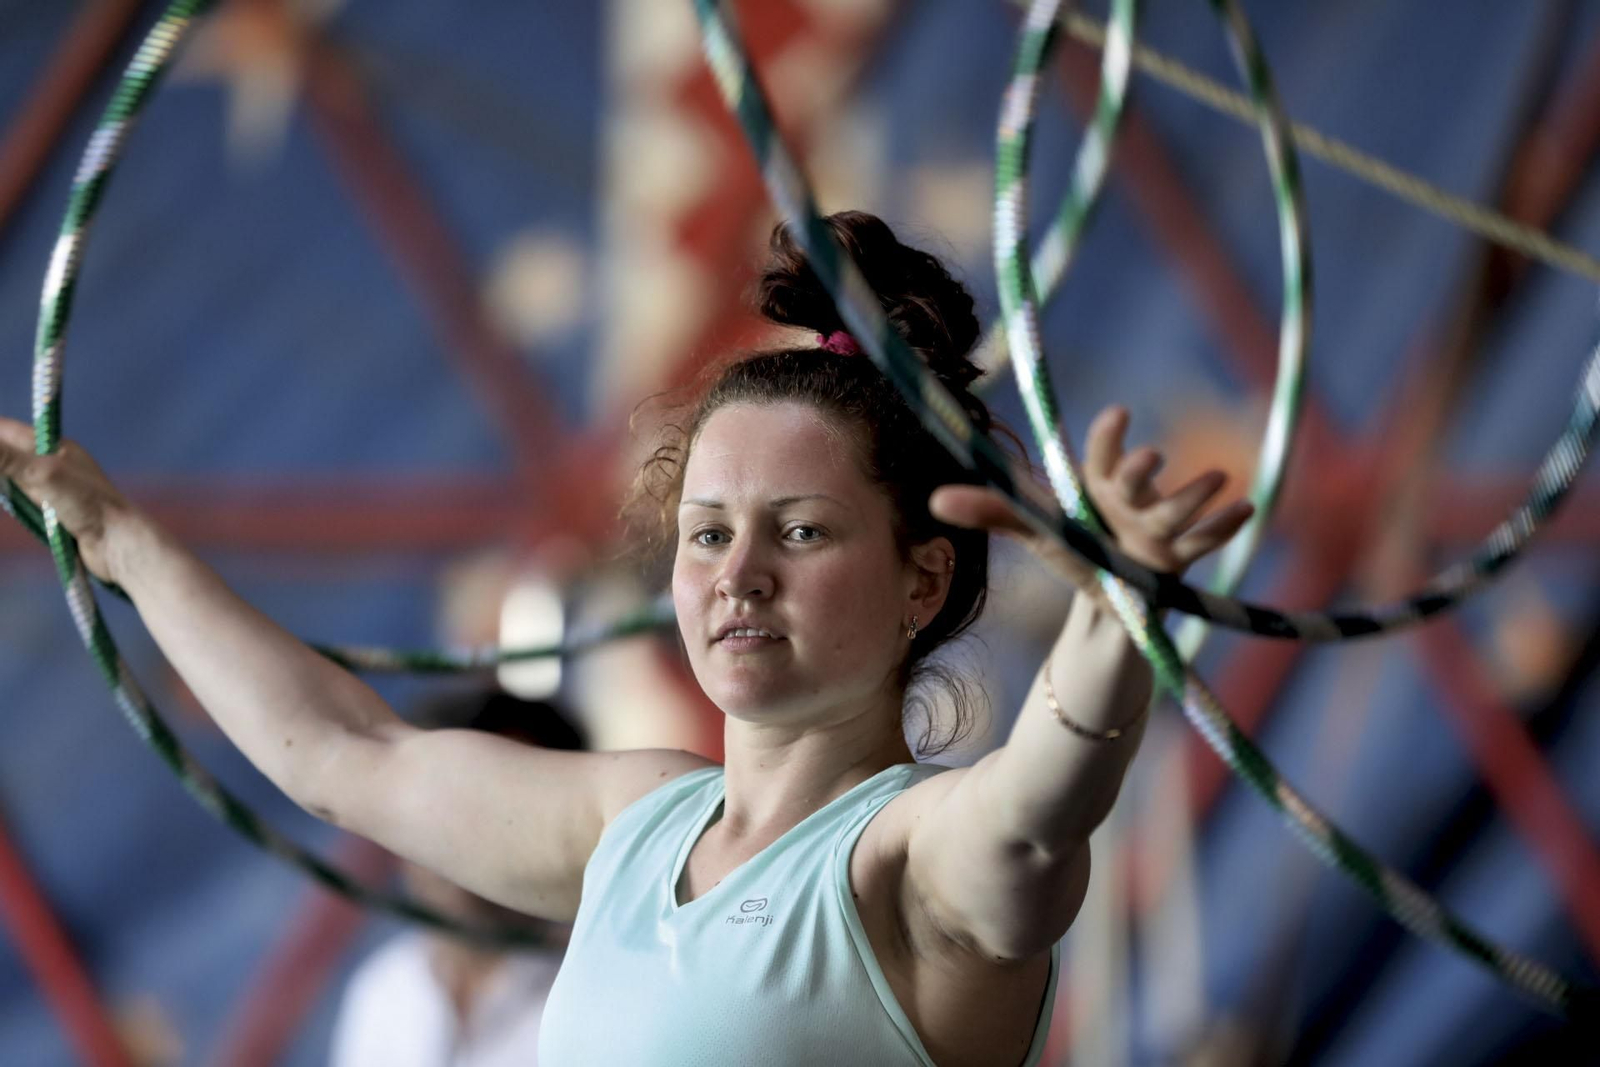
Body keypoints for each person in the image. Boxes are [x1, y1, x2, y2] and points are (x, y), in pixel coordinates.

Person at [0, 211, 1251, 1066]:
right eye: (707, 534)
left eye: (802, 533)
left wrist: (1116, 615)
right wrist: (120, 543)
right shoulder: (630, 825)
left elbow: (1039, 810)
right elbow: (343, 748)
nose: (737, 576)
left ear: (924, 578)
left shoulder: (913, 860)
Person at [328, 691, 582, 1067]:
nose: (462, 843)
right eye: (435, 809)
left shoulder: (600, 991)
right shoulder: (381, 995)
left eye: (502, 812)